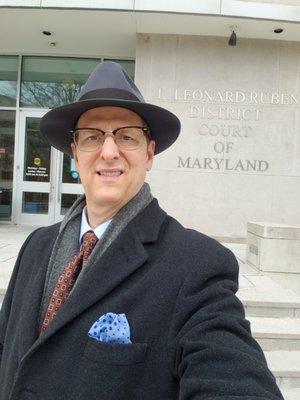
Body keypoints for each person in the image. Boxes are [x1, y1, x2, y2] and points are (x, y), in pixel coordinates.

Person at [0, 61, 283, 400]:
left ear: (149, 153)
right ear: (74, 153)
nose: (108, 152)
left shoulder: (196, 265)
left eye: (126, 136)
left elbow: (231, 374)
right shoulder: (36, 246)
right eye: (92, 137)